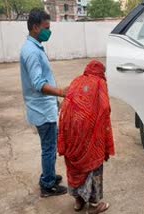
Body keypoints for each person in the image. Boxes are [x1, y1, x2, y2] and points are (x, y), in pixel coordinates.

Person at [20, 8, 68, 197]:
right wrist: (61, 92)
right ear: (35, 27)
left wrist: (55, 101)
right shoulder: (31, 52)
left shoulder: (34, 47)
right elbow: (38, 83)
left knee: (50, 146)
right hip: (41, 109)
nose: (49, 31)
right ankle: (47, 185)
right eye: (46, 28)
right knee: (49, 148)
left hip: (45, 106)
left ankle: (48, 175)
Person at [58, 60, 115, 213]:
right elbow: (104, 108)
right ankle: (94, 205)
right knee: (93, 165)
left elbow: (67, 103)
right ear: (101, 72)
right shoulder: (100, 83)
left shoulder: (76, 81)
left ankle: (78, 201)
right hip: (90, 132)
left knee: (74, 167)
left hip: (71, 131)